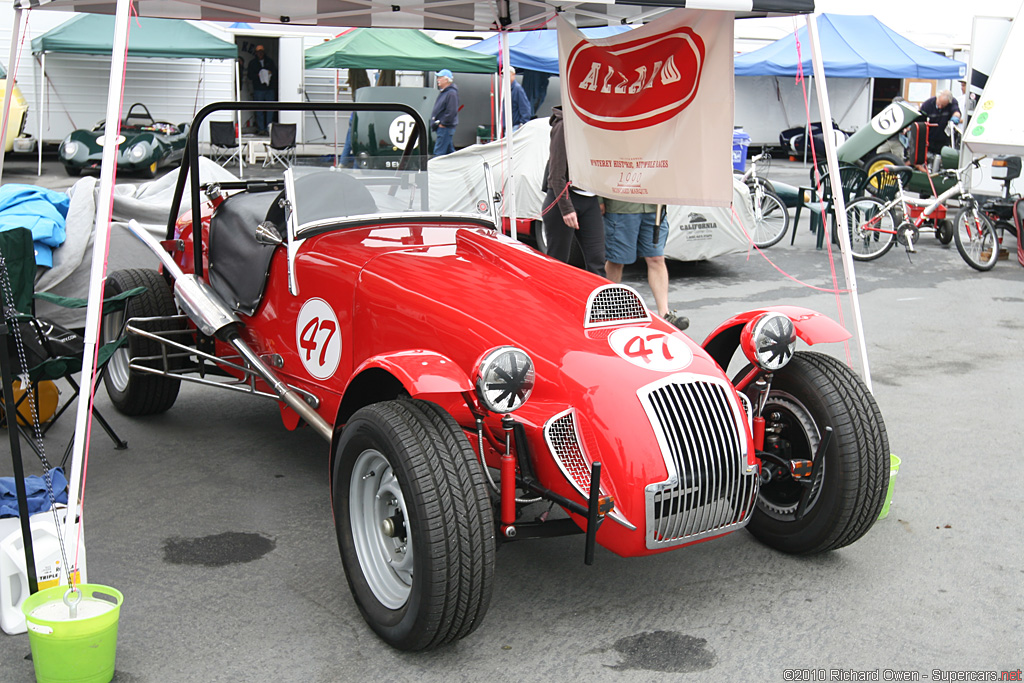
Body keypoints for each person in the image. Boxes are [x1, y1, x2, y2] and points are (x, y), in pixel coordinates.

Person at [602, 199, 688, 330]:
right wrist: (599, 200)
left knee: (656, 258)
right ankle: (608, 310)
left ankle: (665, 313)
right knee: (617, 260)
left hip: (654, 207)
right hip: (622, 206)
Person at [541, 106, 604, 277]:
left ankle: (595, 303)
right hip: (563, 197)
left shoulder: (595, 125)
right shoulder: (563, 126)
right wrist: (567, 209)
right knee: (558, 261)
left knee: (597, 259)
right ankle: (552, 300)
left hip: (589, 198)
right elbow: (556, 174)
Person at [919, 89, 962, 155]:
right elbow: (919, 120)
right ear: (937, 98)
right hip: (930, 140)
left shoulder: (952, 102)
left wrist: (954, 119)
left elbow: (956, 112)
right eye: (939, 104)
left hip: (944, 141)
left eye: (943, 105)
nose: (940, 107)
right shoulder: (927, 105)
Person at [247, 45, 277, 134]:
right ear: (256, 53)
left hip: (269, 88)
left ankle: (268, 128)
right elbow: (249, 75)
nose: (260, 53)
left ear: (264, 52)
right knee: (259, 109)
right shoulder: (252, 63)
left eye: (261, 52)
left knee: (270, 109)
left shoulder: (270, 61)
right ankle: (261, 129)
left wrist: (269, 73)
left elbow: (275, 72)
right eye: (258, 52)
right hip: (258, 89)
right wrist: (258, 76)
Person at [430, 69, 459, 156]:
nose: (437, 79)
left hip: (445, 127)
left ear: (447, 80)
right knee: (450, 152)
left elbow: (451, 111)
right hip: (444, 127)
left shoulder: (451, 93)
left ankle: (436, 169)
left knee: (439, 153)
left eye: (440, 77)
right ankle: (458, 167)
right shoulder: (447, 93)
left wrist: (443, 123)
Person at [503, 67, 532, 132]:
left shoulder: (517, 89)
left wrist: (522, 124)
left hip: (515, 126)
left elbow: (525, 108)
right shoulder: (508, 89)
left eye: (507, 75)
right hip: (510, 126)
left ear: (513, 75)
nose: (504, 77)